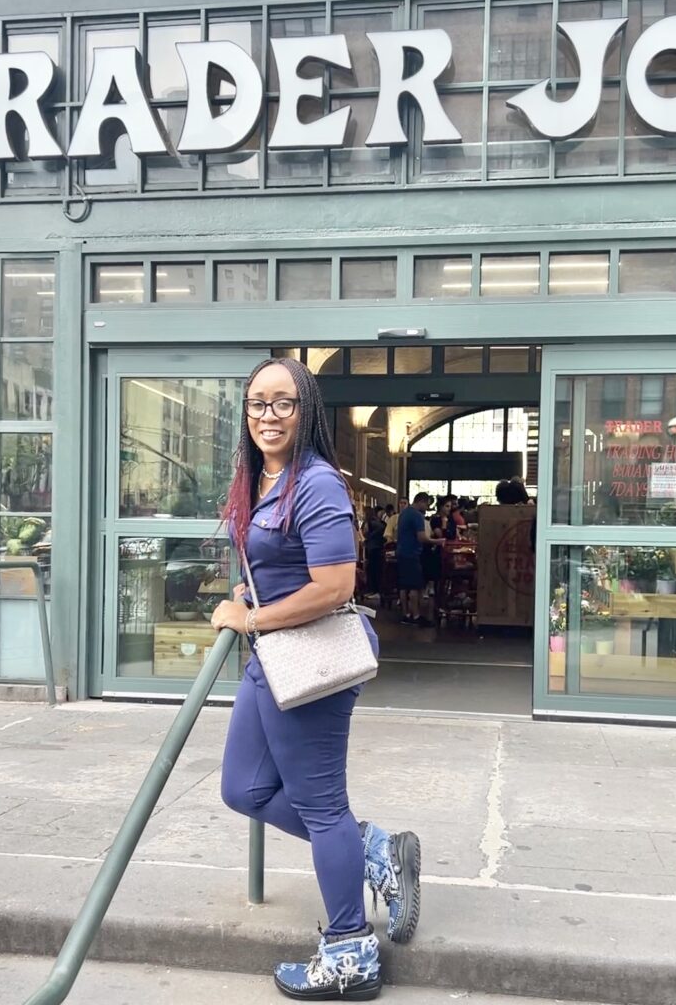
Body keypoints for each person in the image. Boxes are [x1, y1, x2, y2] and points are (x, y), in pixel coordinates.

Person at [210, 358, 421, 1001]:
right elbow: (279, 560)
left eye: (282, 403)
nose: (267, 416)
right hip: (270, 658)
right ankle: (375, 849)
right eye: (256, 403)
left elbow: (335, 586)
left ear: (306, 410)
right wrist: (254, 590)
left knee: (320, 807)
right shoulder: (260, 478)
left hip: (310, 663)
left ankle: (351, 951)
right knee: (243, 788)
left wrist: (251, 615)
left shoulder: (318, 482)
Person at [395, 491, 445, 626]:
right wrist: (438, 541)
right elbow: (422, 537)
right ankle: (416, 616)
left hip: (401, 552)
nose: (427, 508)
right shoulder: (417, 516)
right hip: (412, 553)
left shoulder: (403, 514)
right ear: (421, 501)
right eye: (427, 505)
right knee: (415, 586)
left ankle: (406, 614)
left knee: (404, 586)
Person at [361, 505, 386, 599]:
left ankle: (376, 590)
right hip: (373, 548)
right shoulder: (372, 522)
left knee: (374, 570)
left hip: (375, 549)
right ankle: (373, 590)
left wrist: (371, 536)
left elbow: (381, 528)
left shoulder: (373, 522)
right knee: (371, 570)